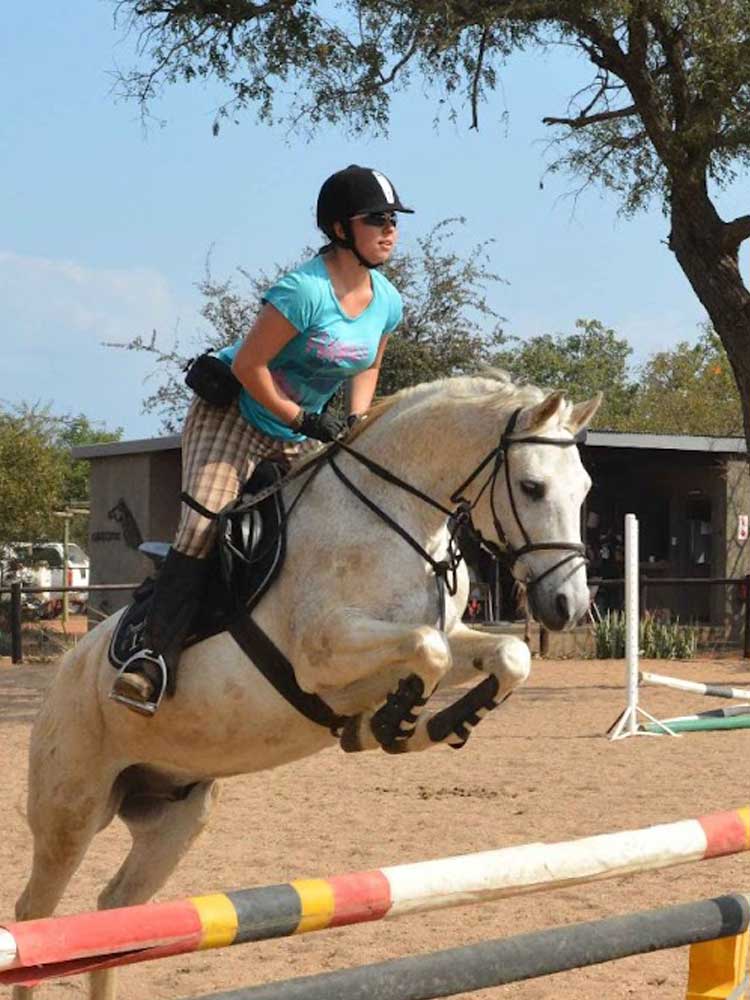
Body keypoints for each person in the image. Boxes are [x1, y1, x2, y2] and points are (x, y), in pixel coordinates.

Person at [110, 164, 413, 715]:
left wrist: (355, 422)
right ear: (342, 229)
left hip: (301, 425)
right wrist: (303, 418)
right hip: (236, 413)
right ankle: (150, 657)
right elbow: (251, 366)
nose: (390, 230)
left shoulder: (387, 300)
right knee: (204, 522)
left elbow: (368, 364)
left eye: (393, 220)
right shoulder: (302, 291)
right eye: (377, 220)